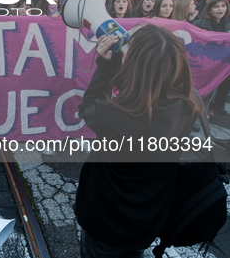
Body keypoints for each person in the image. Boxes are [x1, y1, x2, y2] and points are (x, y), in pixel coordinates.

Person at [76, 24, 201, 258]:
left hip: (105, 220)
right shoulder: (189, 103)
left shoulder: (111, 113)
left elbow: (87, 108)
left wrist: (105, 64)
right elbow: (146, 92)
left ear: (134, 67)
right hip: (148, 217)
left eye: (127, 52)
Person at [192, 0, 230, 116]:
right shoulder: (199, 24)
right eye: (216, 7)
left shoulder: (228, 25)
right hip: (202, 65)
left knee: (212, 91)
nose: (220, 9)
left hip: (220, 66)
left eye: (223, 6)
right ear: (209, 10)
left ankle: (202, 115)